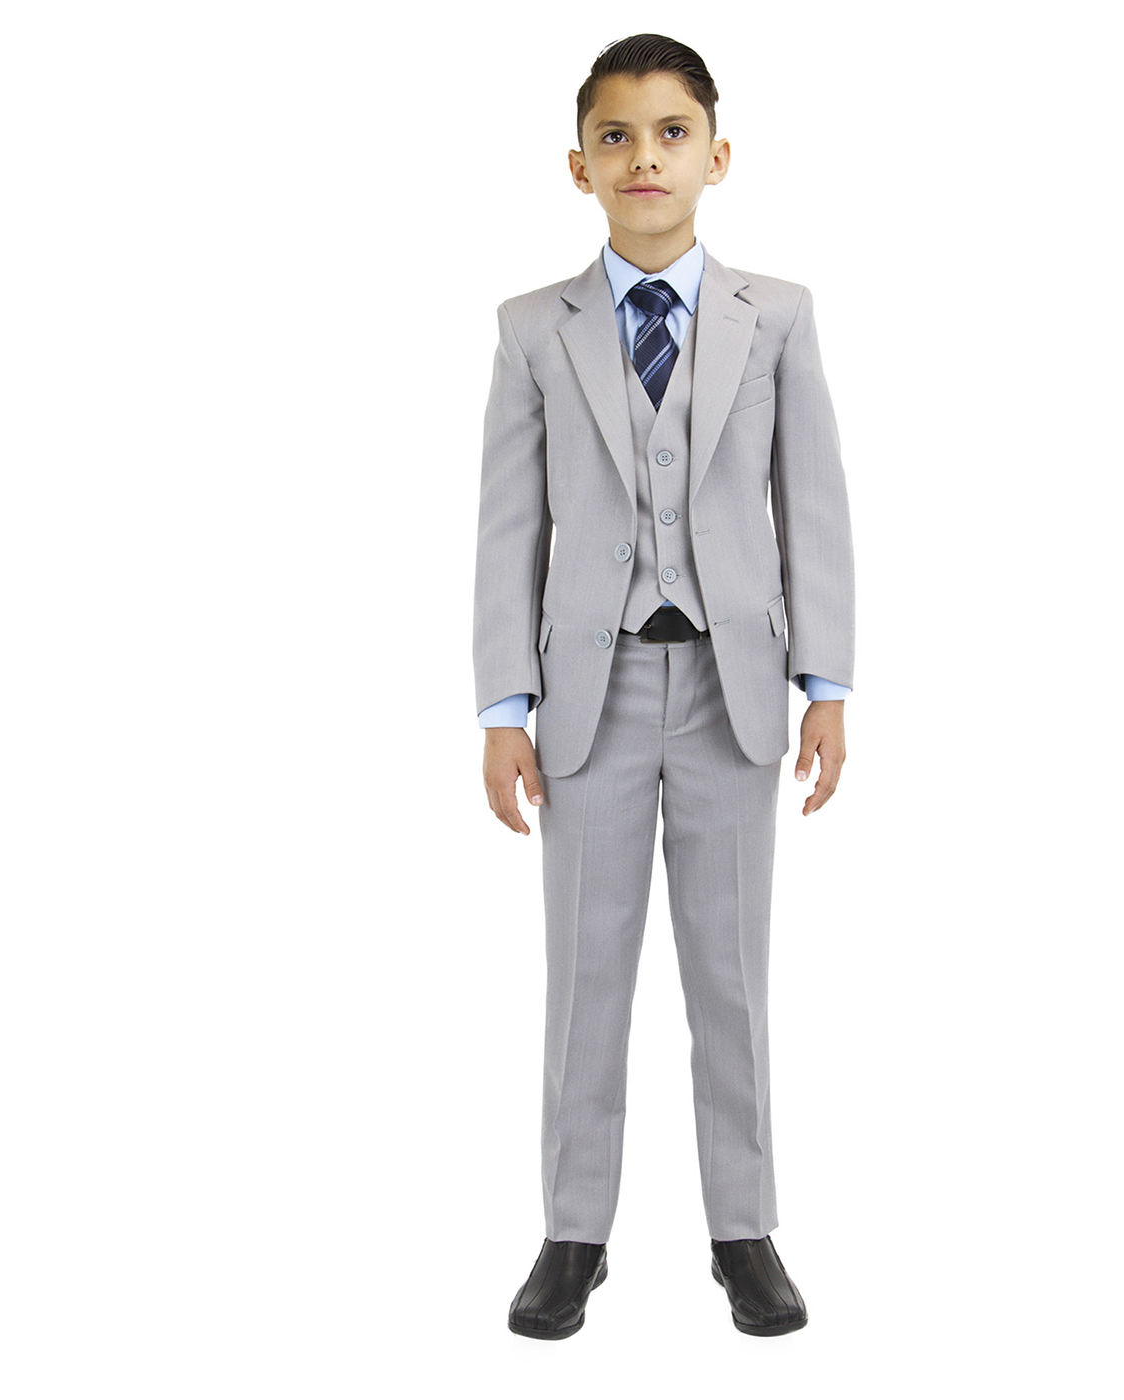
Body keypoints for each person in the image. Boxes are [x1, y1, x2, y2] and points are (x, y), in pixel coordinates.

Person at [472, 32, 856, 1339]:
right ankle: (572, 1234)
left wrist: (826, 685)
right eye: (618, 137)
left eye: (672, 133)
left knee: (730, 973)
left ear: (718, 155)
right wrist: (502, 711)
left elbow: (814, 505)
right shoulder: (534, 329)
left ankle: (744, 1231)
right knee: (585, 972)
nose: (646, 157)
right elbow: (507, 529)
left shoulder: (777, 317)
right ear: (579, 165)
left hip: (735, 692)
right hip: (589, 695)